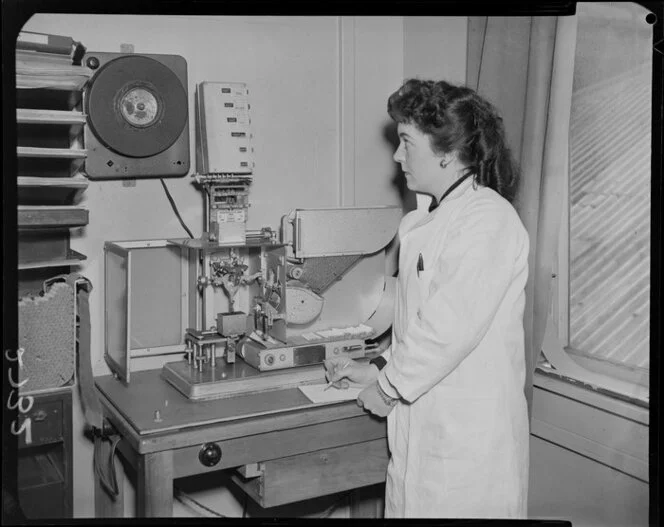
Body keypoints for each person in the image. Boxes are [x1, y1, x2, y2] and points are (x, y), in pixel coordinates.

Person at [324, 79, 530, 518]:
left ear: (446, 150)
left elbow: (447, 329)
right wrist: (377, 367)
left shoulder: (487, 220)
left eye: (405, 142)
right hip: (427, 430)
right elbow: (418, 322)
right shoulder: (428, 220)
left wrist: (388, 387)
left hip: (467, 442)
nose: (397, 157)